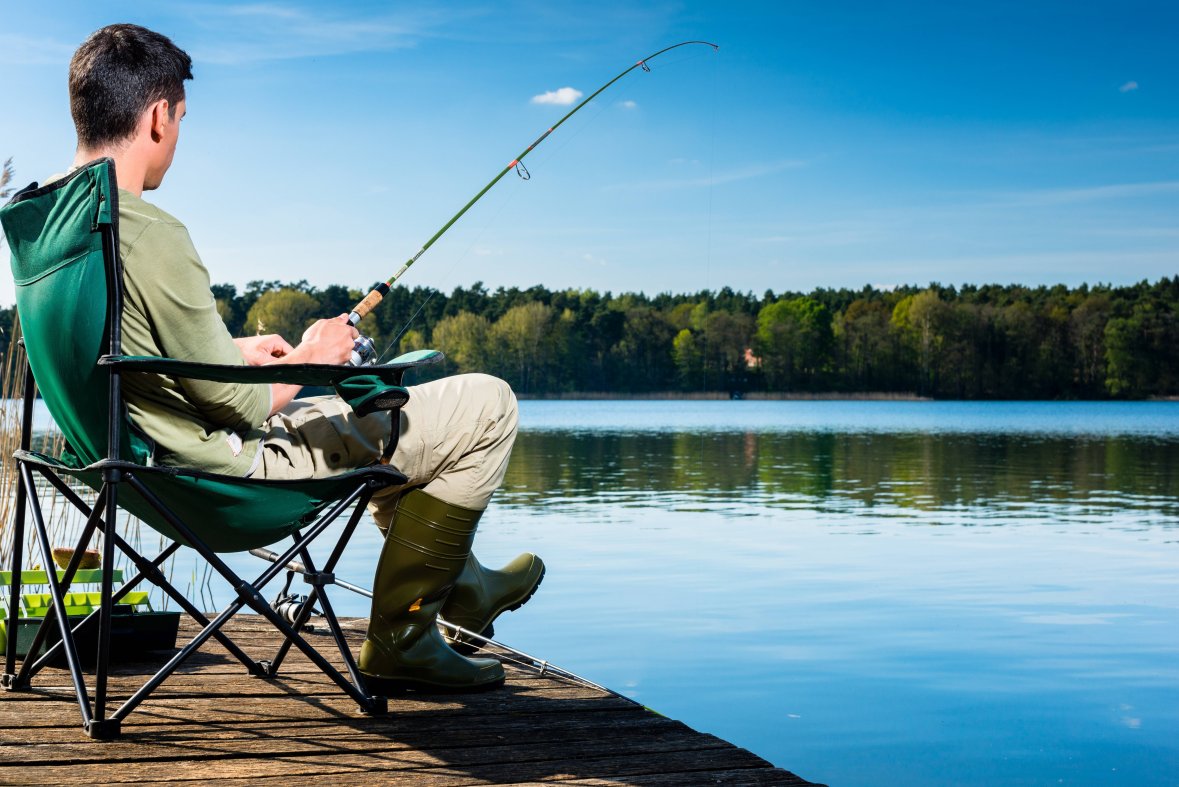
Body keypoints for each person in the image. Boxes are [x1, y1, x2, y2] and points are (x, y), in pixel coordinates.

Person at [58, 23, 544, 692]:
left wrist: (230, 351)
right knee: (486, 404)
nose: (179, 136)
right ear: (158, 115)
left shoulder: (54, 221)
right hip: (225, 480)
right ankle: (406, 632)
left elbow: (117, 351)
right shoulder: (150, 232)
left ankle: (462, 584)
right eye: (182, 119)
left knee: (382, 418)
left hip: (133, 471)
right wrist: (314, 353)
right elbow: (237, 405)